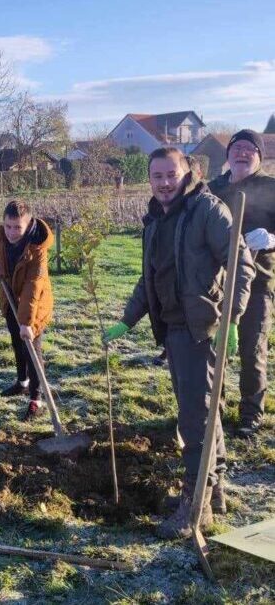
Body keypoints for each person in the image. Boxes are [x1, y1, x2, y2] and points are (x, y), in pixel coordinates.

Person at [104, 147, 254, 539]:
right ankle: (214, 488)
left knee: (194, 419)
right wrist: (127, 319)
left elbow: (242, 264)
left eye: (171, 174)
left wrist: (231, 320)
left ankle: (195, 505)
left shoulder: (207, 210)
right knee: (203, 413)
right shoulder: (155, 218)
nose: (165, 182)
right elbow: (148, 277)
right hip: (171, 330)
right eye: (157, 176)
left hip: (199, 330)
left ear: (187, 172)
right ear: (150, 179)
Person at [209, 129, 275, 438]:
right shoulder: (212, 189)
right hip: (216, 284)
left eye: (251, 149)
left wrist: (272, 239)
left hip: (258, 283)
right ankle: (214, 410)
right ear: (228, 155)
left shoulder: (270, 188)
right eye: (237, 148)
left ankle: (251, 414)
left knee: (252, 350)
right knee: (214, 350)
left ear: (259, 156)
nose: (243, 152)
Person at [0, 200, 53, 421]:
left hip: (34, 303)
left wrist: (26, 322)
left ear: (28, 225)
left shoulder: (37, 248)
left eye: (17, 227)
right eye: (8, 226)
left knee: (32, 348)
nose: (11, 232)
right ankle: (22, 383)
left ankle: (36, 398)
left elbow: (33, 286)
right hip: (9, 297)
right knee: (16, 341)